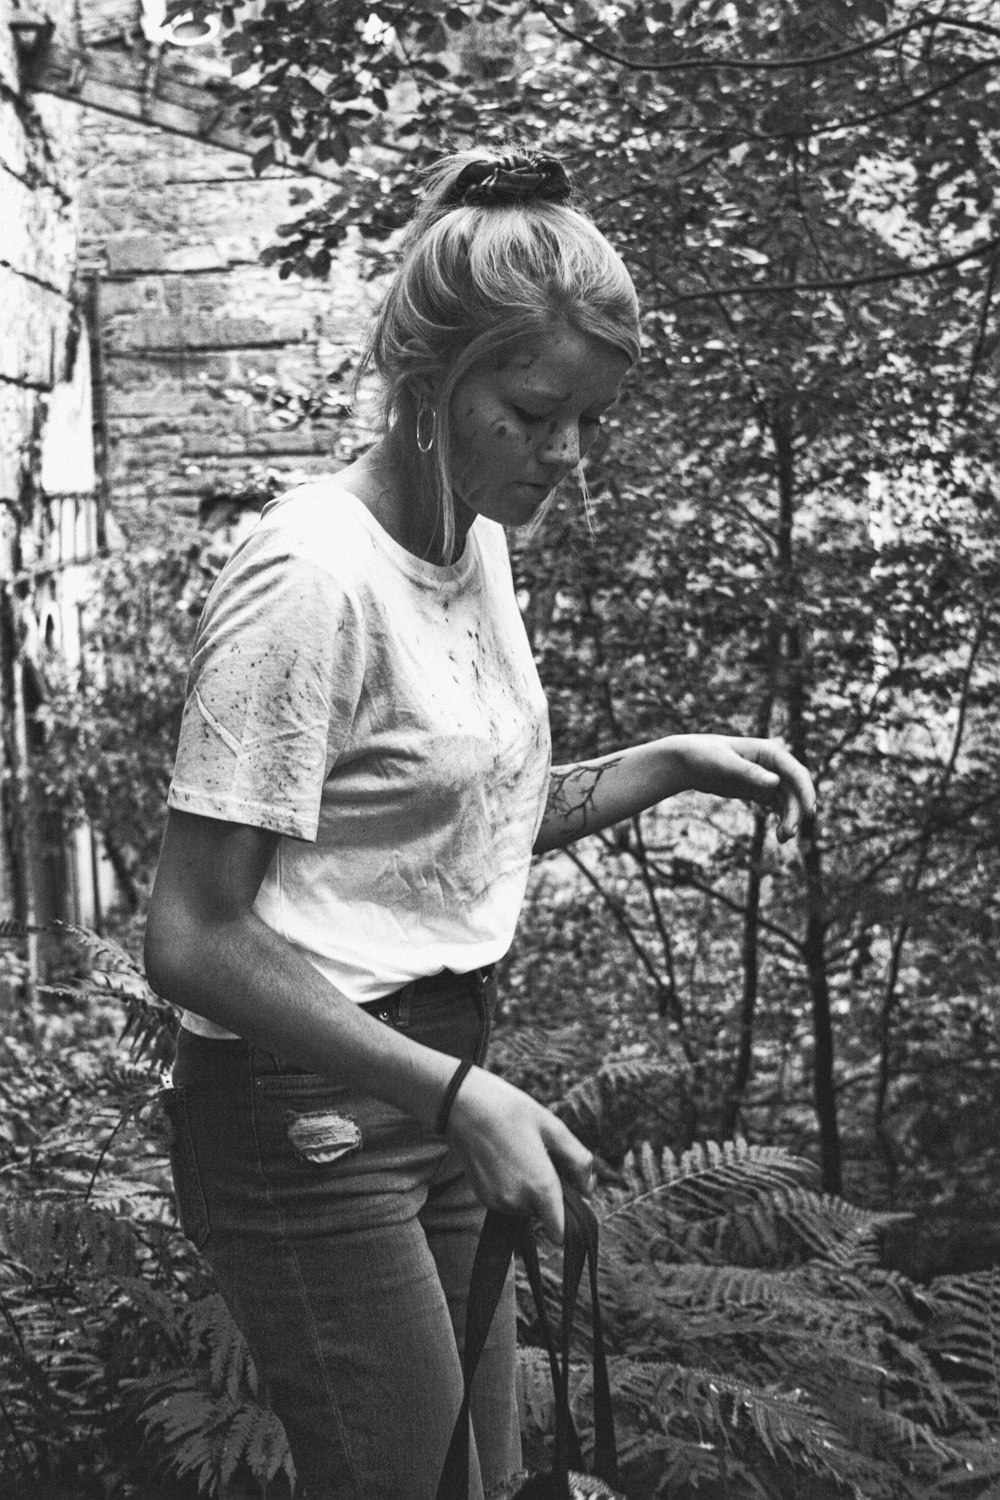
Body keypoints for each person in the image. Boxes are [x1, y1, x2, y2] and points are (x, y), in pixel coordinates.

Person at [144, 147, 816, 1500]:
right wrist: (460, 1094)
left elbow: (437, 841)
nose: (566, 455)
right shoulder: (310, 578)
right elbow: (193, 936)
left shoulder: (474, 541)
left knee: (492, 1486)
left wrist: (667, 765)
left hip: (435, 1081)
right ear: (428, 385)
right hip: (309, 1120)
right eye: (534, 410)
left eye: (590, 420)